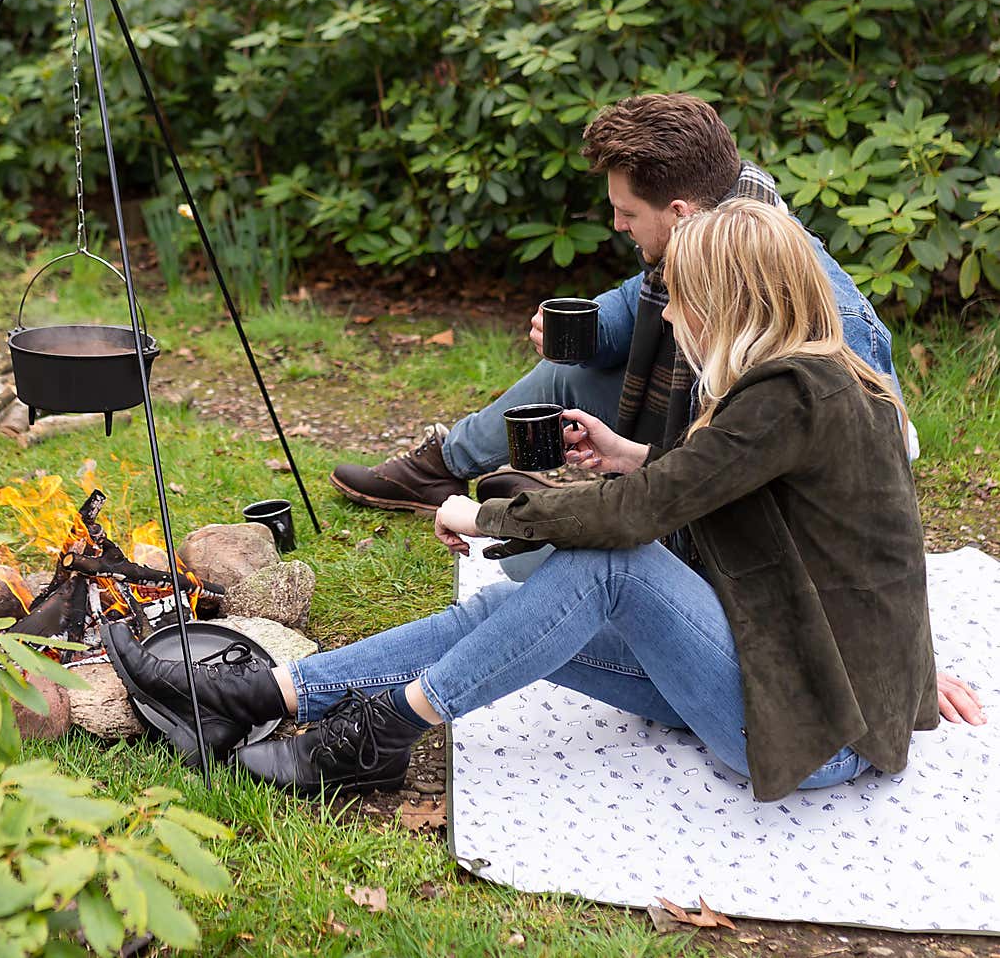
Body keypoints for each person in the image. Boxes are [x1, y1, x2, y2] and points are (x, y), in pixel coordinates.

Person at [106, 201, 985, 803]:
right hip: (785, 666)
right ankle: (273, 690)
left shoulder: (789, 394)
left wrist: (481, 514)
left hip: (812, 730)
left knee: (614, 569)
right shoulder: (822, 381)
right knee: (514, 610)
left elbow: (634, 517)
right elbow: (768, 509)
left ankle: (384, 730)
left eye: (682, 297)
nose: (672, 316)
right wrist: (632, 453)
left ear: (730, 299)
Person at [329, 92, 906, 515]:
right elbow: (636, 307)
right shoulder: (714, 230)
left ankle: (564, 503)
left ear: (680, 213)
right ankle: (442, 469)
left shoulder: (816, 307)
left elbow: (874, 470)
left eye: (628, 214)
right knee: (567, 372)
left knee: (536, 561)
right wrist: (584, 330)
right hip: (701, 460)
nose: (616, 224)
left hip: (757, 506)